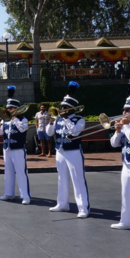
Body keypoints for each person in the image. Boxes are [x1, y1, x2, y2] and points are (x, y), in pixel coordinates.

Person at [46, 81, 89, 218]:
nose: (62, 108)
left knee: (78, 180)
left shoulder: (79, 119)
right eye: (61, 106)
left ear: (71, 108)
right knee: (61, 178)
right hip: (60, 151)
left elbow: (75, 132)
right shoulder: (58, 119)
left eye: (65, 107)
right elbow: (49, 133)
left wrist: (66, 119)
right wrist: (51, 122)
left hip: (74, 152)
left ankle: (83, 208)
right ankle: (62, 203)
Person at [110, 78, 130, 230]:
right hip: (127, 163)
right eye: (124, 110)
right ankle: (127, 221)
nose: (124, 113)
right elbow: (114, 144)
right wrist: (117, 131)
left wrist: (125, 127)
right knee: (126, 194)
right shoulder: (126, 126)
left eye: (128, 110)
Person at [0, 86, 31, 205]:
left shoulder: (23, 119)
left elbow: (22, 129)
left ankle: (25, 196)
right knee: (8, 172)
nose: (9, 110)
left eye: (11, 108)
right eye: (8, 108)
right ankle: (9, 194)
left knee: (21, 172)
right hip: (7, 148)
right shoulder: (5, 120)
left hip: (18, 149)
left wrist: (15, 118)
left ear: (16, 109)